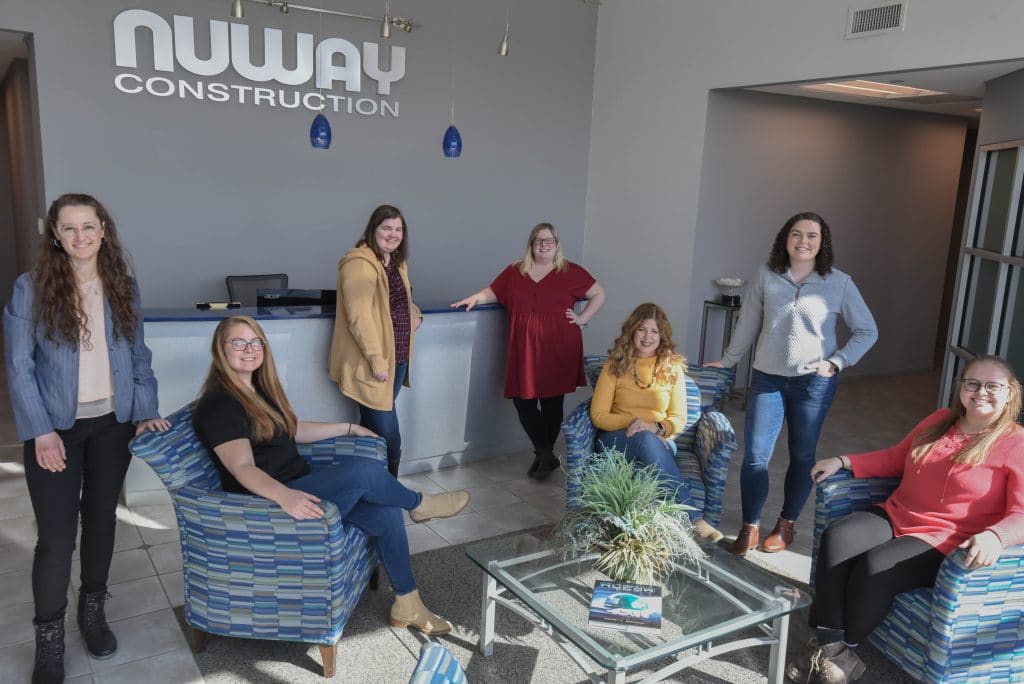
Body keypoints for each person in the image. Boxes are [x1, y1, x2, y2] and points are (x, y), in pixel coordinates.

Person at [193, 316, 470, 637]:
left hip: (299, 482)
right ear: (220, 349)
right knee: (365, 472)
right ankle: (420, 504)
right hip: (269, 505)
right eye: (238, 343)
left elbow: (290, 429)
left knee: (384, 511)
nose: (249, 349)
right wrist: (285, 496)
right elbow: (242, 468)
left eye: (256, 342)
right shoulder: (220, 404)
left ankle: (408, 603)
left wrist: (348, 427)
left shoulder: (256, 389)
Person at [3, 193, 170, 684]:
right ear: (55, 233)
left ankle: (92, 611)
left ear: (103, 231)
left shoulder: (123, 284)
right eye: (70, 228)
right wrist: (40, 432)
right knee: (55, 539)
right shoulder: (30, 288)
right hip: (56, 429)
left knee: (101, 522)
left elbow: (138, 354)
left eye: (89, 227)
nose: (81, 237)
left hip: (112, 426)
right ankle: (49, 639)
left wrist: (145, 412)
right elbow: (18, 366)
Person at [785, 355, 1024, 684]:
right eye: (973, 383)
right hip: (898, 514)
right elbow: (895, 458)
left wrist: (997, 537)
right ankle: (832, 650)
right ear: (961, 388)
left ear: (1010, 393)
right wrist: (844, 461)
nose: (981, 391)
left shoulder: (1016, 443)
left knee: (877, 566)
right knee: (839, 536)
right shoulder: (940, 420)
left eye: (993, 386)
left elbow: (1021, 512)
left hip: (944, 538)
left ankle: (831, 649)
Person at [706, 211, 878, 555]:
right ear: (785, 239)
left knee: (802, 456)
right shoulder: (768, 275)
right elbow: (749, 320)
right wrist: (728, 359)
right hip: (767, 379)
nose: (803, 241)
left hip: (812, 384)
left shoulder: (839, 282)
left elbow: (867, 330)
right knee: (755, 456)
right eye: (796, 234)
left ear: (822, 242)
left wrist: (836, 361)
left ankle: (786, 525)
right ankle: (750, 527)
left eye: (812, 235)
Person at [451, 222, 605, 479]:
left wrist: (582, 318)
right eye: (538, 240)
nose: (543, 245)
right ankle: (545, 453)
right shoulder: (515, 271)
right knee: (524, 402)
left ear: (557, 245)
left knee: (551, 401)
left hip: (559, 344)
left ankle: (543, 456)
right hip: (524, 347)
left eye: (549, 241)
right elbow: (493, 292)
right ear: (531, 245)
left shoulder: (570, 271)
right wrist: (474, 299)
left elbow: (599, 293)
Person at [589, 303, 723, 542]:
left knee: (647, 439)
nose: (647, 337)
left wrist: (656, 427)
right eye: (642, 329)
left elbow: (678, 418)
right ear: (632, 331)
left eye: (654, 331)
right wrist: (633, 421)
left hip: (659, 440)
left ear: (663, 335)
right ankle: (693, 517)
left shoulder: (672, 368)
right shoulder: (614, 366)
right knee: (642, 437)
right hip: (616, 441)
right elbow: (598, 416)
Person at [329, 205, 423, 476]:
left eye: (399, 229)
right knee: (389, 438)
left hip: (398, 359)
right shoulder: (359, 264)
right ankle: (389, 490)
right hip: (375, 364)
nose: (393, 235)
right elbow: (359, 316)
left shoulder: (396, 263)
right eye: (387, 228)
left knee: (371, 429)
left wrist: (417, 314)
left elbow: (401, 302)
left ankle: (365, 482)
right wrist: (376, 360)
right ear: (373, 229)